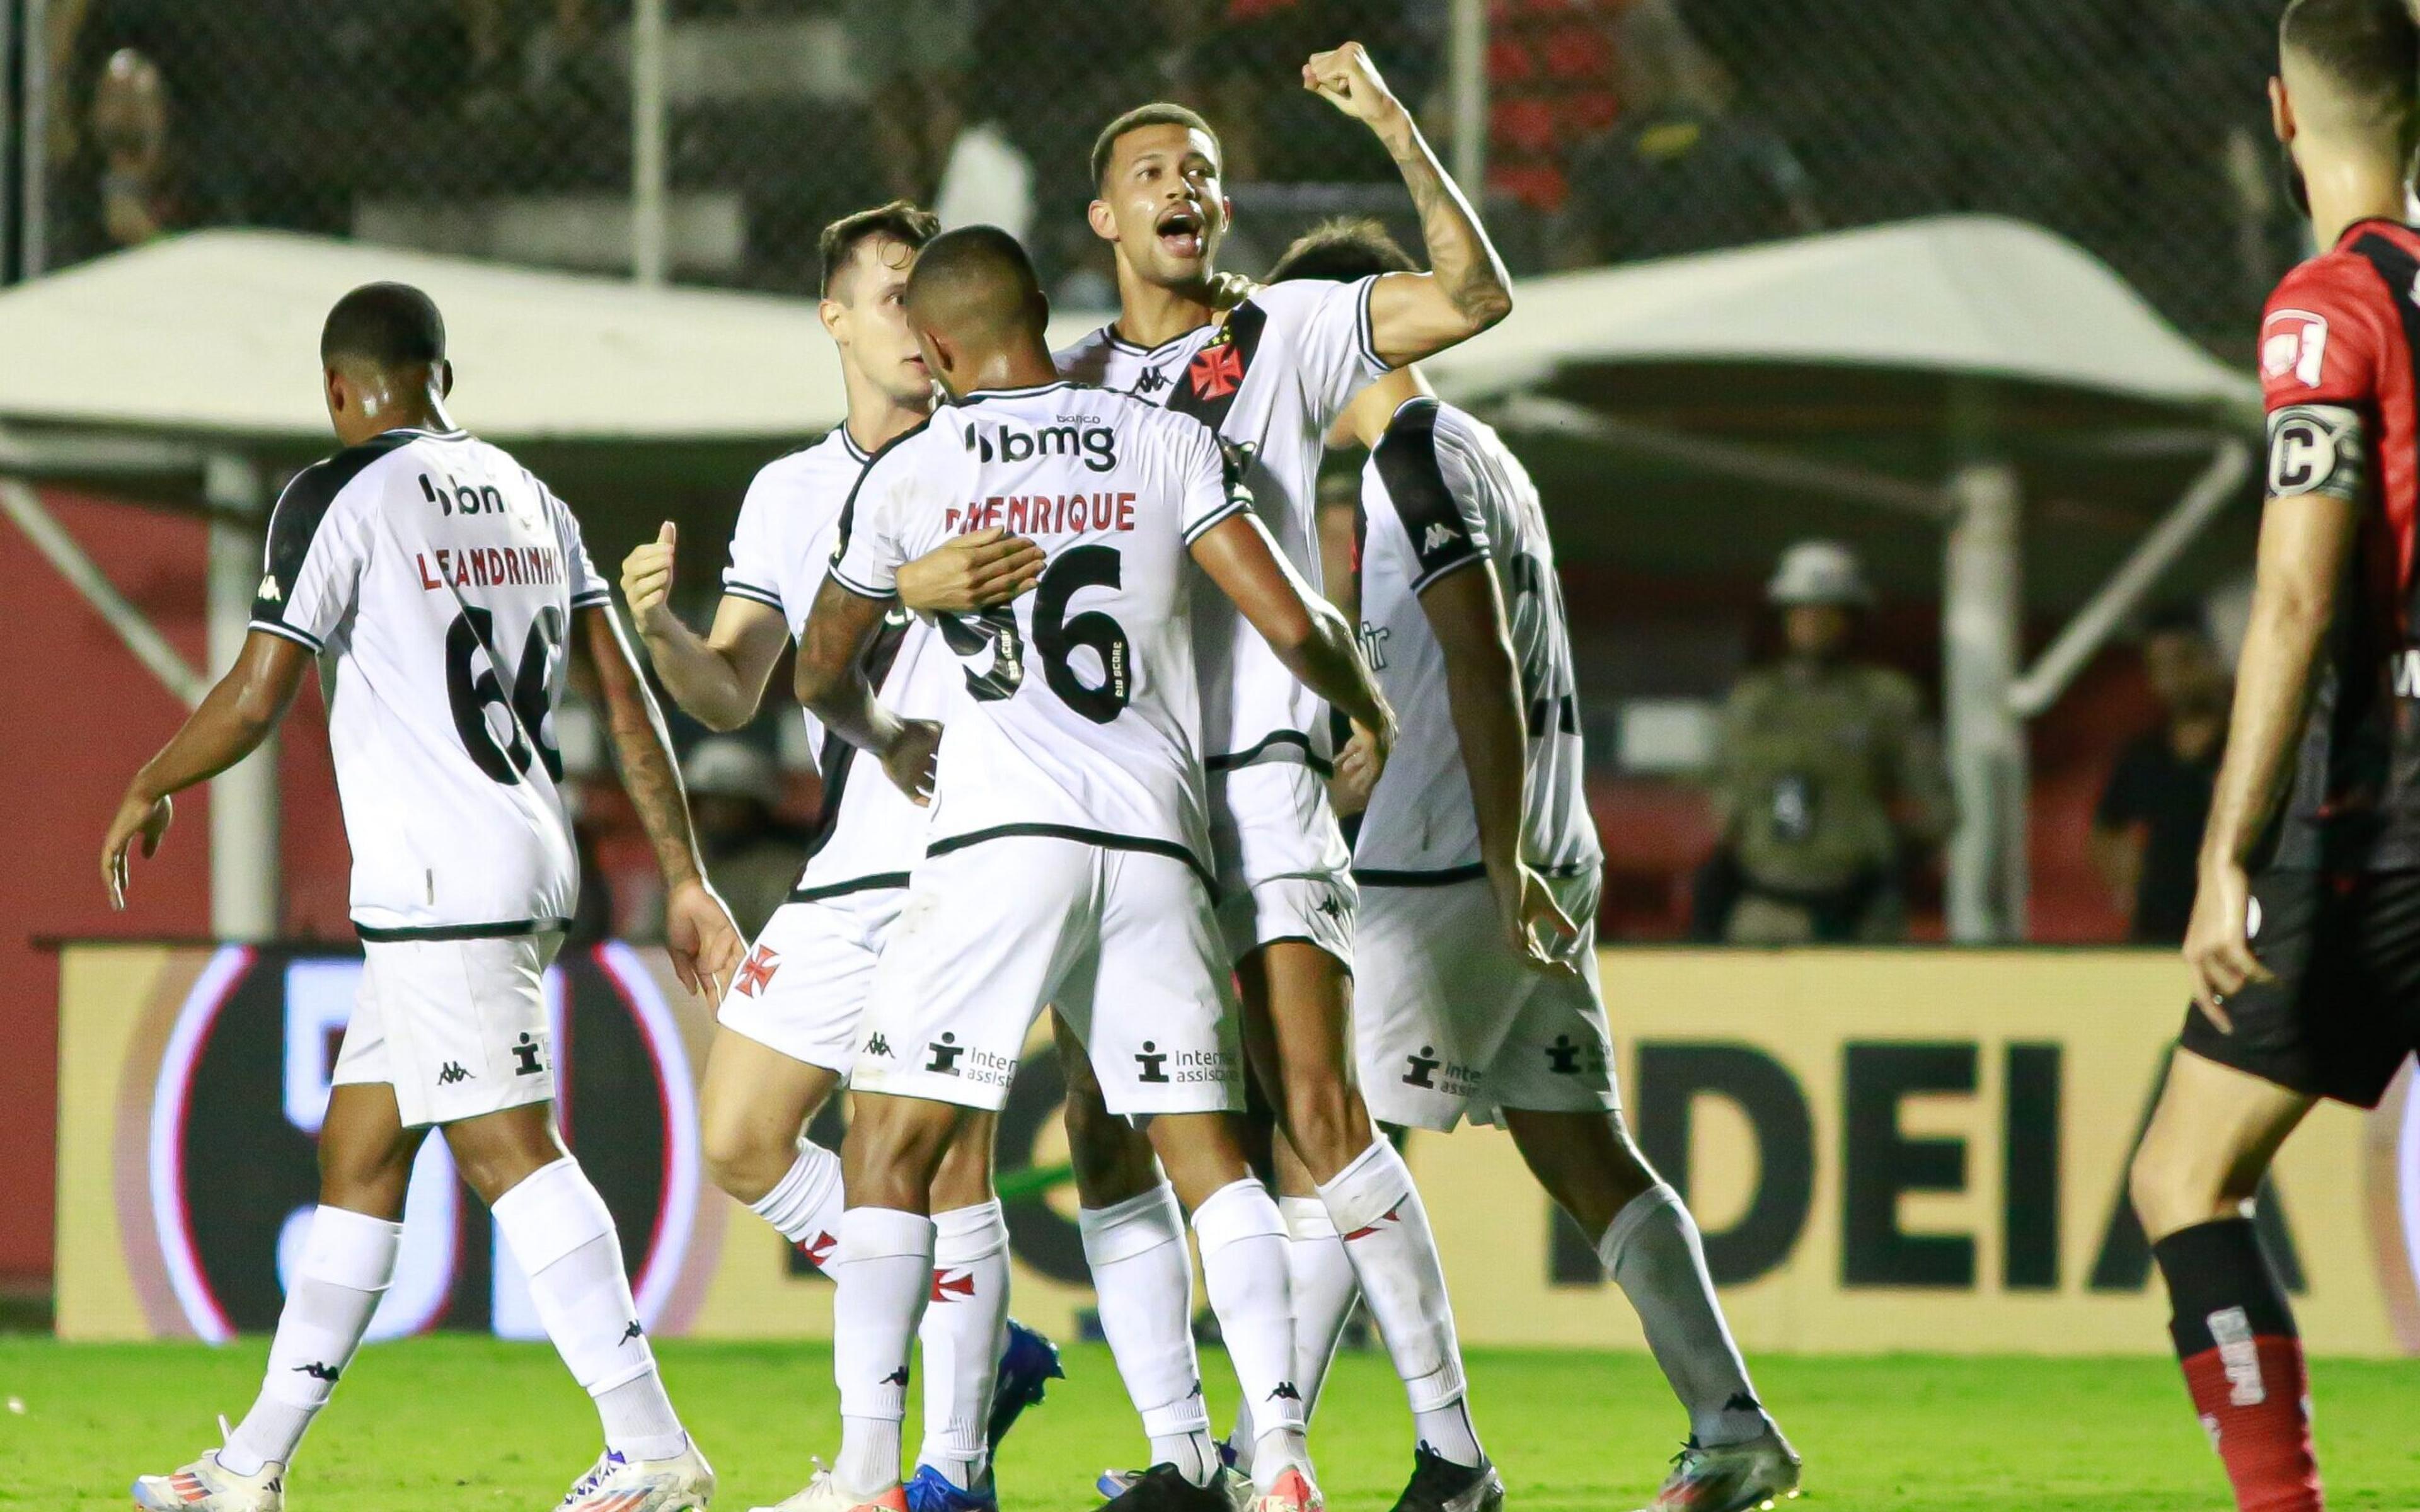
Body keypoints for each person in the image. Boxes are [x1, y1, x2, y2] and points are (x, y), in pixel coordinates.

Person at [103, 282, 744, 1512]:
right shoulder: (533, 500)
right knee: (359, 1151)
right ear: (445, 375)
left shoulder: (335, 494)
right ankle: (248, 1470)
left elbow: (255, 693)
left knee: (509, 1150)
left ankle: (653, 1444)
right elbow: (624, 703)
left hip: (447, 878)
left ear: (339, 390)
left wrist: (149, 779)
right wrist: (683, 875)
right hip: (519, 856)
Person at [790, 224, 1394, 1512]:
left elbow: (816, 675)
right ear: (1041, 310)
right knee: (1211, 1159)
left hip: (1005, 836)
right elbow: (1295, 621)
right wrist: (1369, 712)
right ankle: (1275, 1459)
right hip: (1161, 841)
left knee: (886, 1145)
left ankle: (861, 1478)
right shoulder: (1164, 437)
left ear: (940, 346)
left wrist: (891, 723)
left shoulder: (916, 466)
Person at [1052, 45, 1517, 1512]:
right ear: (1104, 223)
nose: (1183, 186)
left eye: (1199, 168)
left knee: (1317, 1108)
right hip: (1123, 797)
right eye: (1151, 172)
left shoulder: (1292, 332)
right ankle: (1201, 1455)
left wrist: (1390, 125)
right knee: (1107, 1113)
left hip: (1255, 775)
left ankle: (1451, 1449)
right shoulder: (1067, 383)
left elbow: (1474, 296)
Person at [1277, 219, 1803, 1512]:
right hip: (1539, 852)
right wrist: (1378, 747)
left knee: (1343, 1147)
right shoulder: (1481, 453)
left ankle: (1259, 1462)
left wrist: (1496, 853)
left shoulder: (1410, 465)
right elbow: (1456, 658)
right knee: (1585, 1150)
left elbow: (1483, 660)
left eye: (1286, 342)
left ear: (1345, 329)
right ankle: (1733, 1427)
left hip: (1458, 870)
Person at [619, 202, 1061, 1512]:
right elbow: (735, 692)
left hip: (974, 848)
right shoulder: (792, 491)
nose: (915, 324)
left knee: (935, 1149)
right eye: (887, 296)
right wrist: (662, 635)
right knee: (741, 1136)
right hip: (855, 846)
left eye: (929, 300)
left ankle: (939, 1469)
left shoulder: (995, 453)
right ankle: (975, 1350)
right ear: (834, 317)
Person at [2132, 4, 2420, 1509]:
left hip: (2387, 799)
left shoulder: (2327, 304)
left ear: (2279, 113)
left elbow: (2300, 591)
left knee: (2185, 1175)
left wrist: (2222, 847)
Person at [1697, 541, 1953, 944]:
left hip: (1860, 908)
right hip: (1767, 903)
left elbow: (1939, 807)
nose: (1813, 623)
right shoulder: (1752, 703)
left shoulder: (1886, 701)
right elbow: (1724, 799)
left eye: (1827, 611)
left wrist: (1885, 856)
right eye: (1801, 611)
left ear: (1850, 619)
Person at [2090, 606, 2232, 944]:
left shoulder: (2246, 749)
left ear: (2214, 659)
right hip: (2159, 929)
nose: (2174, 679)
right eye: (2161, 667)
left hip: (2233, 921)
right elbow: (2107, 828)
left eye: (2185, 661)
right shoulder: (2145, 756)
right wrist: (2130, 887)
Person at [680, 736, 807, 942]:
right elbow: (646, 945)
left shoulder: (782, 872)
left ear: (756, 809)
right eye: (704, 802)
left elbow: (783, 949)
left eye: (726, 804)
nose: (713, 814)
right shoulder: (684, 867)